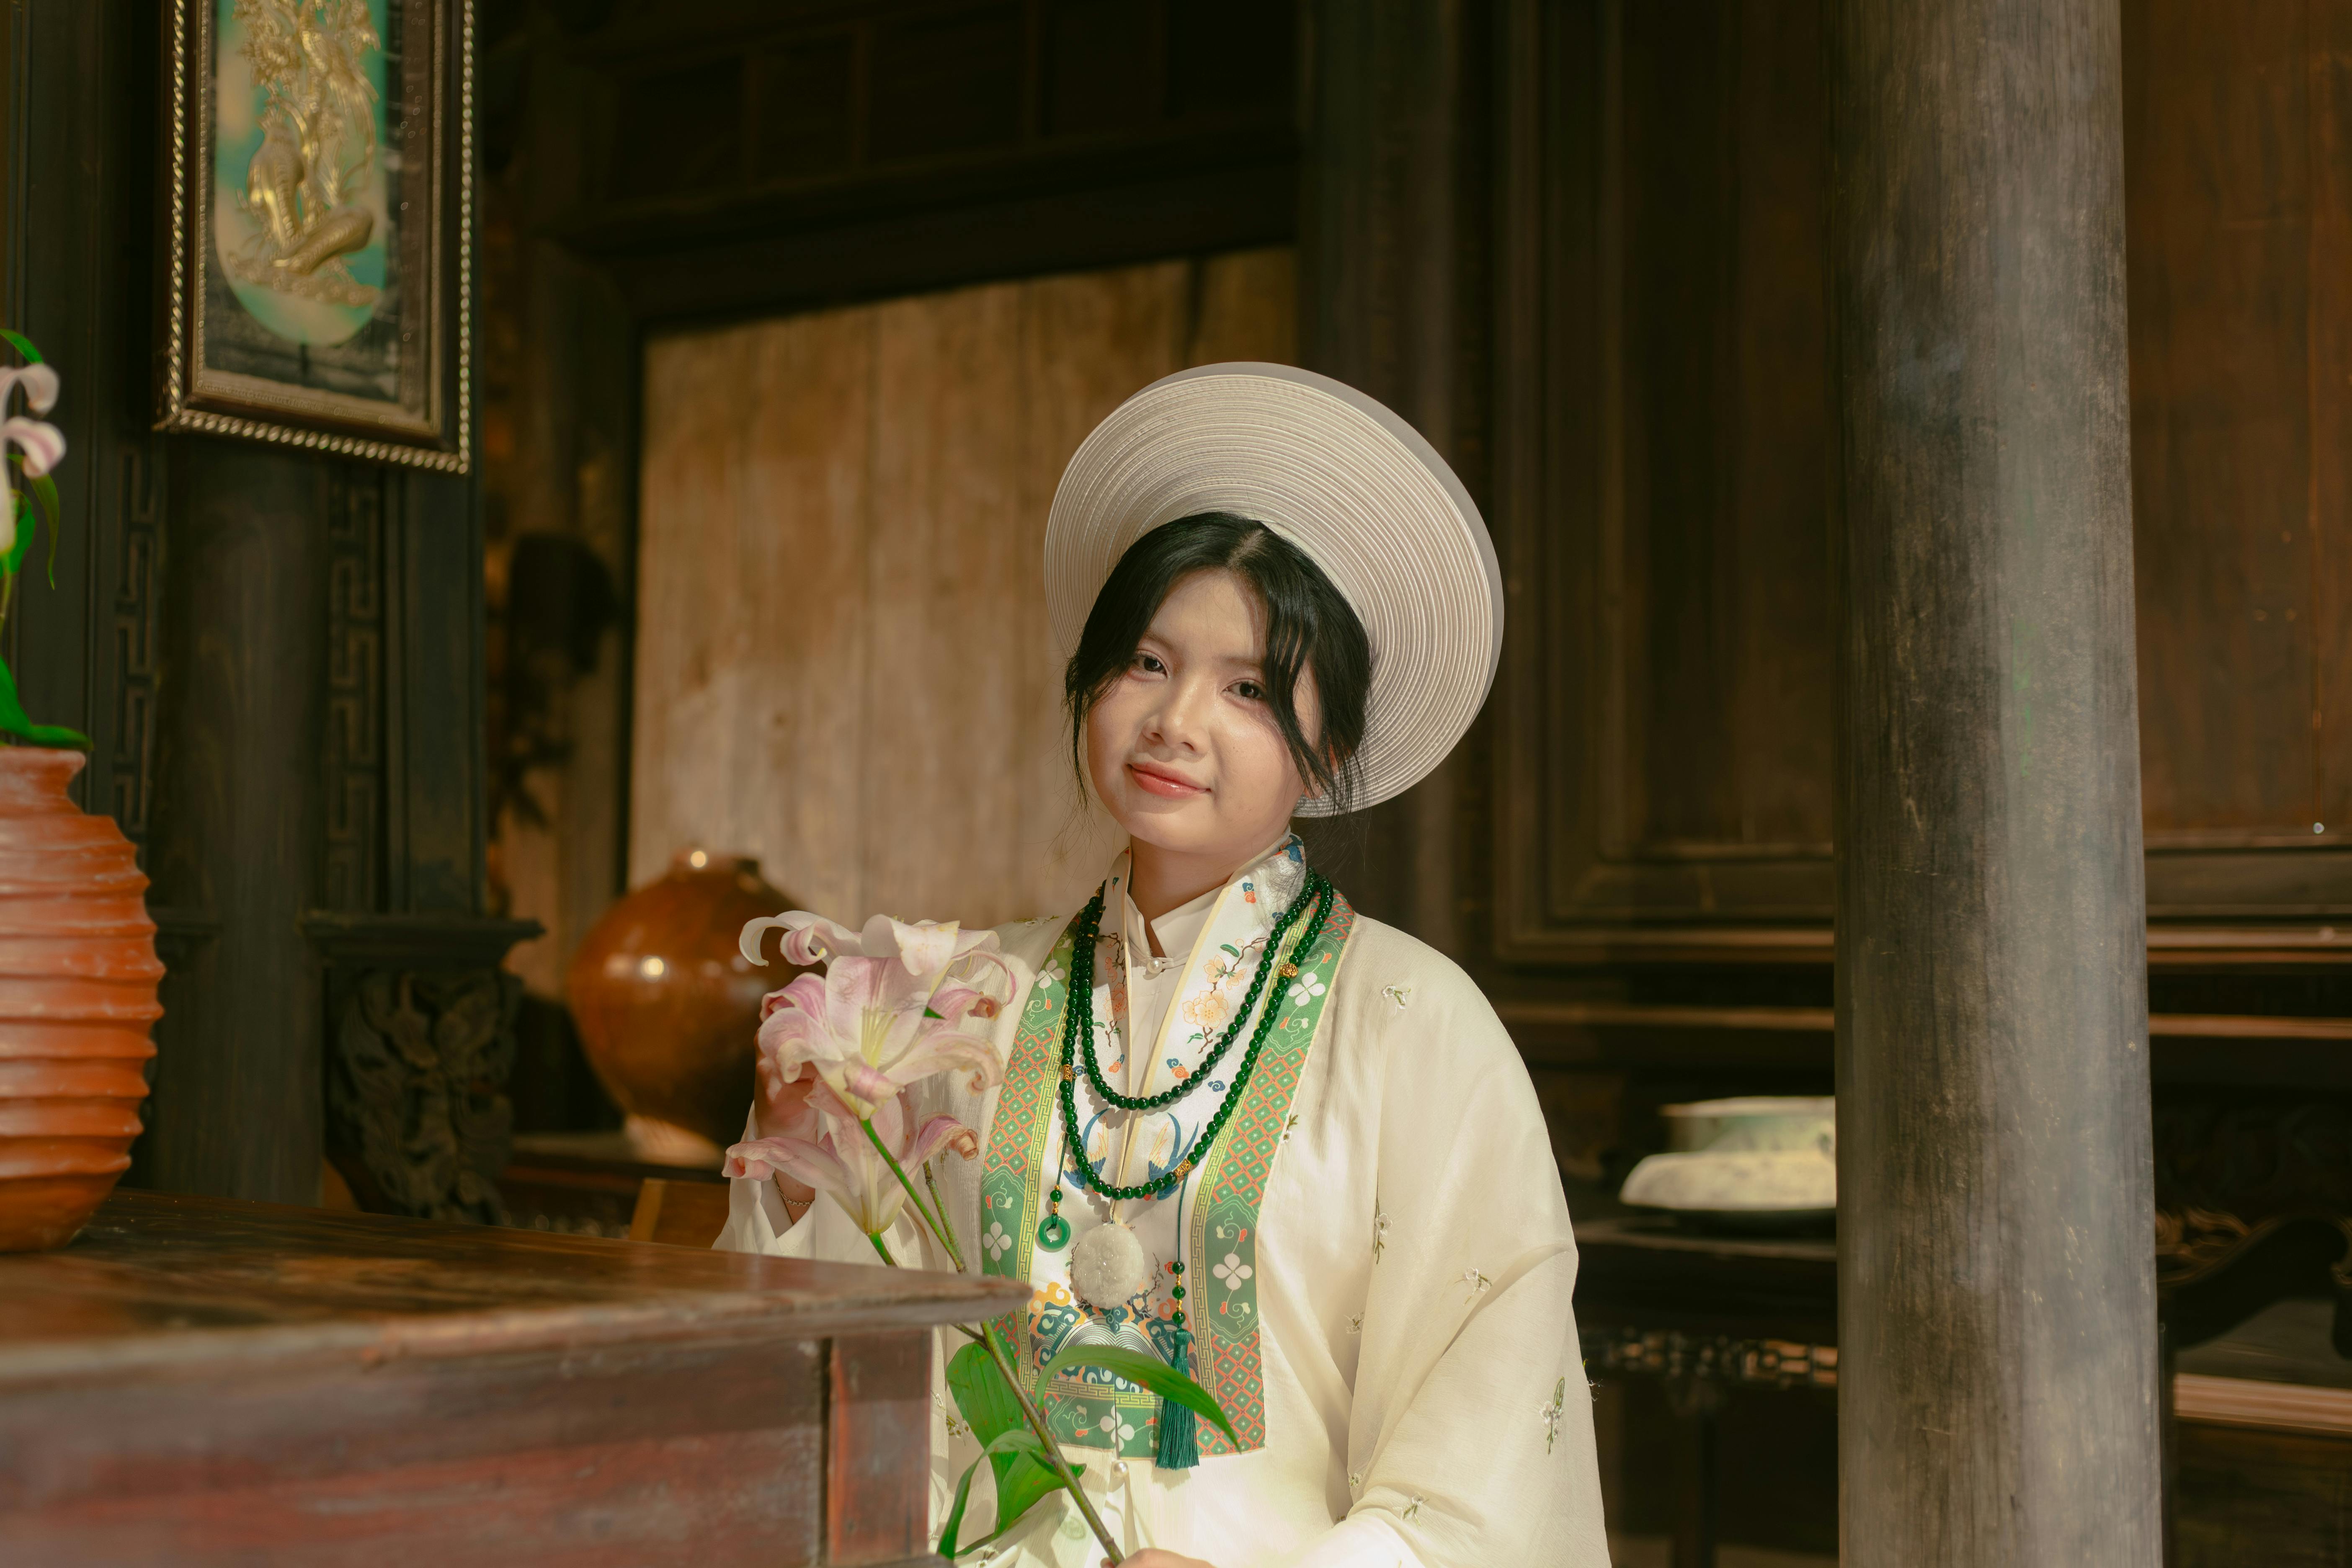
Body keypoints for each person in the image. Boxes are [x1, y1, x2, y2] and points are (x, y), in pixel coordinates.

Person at [717, 364, 1608, 1566]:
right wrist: (799, 1164)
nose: (1174, 720)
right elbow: (864, 1368)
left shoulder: (1414, 1027)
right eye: (1146, 661)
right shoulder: (975, 999)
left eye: (1247, 688)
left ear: (1328, 745)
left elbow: (1484, 1447)